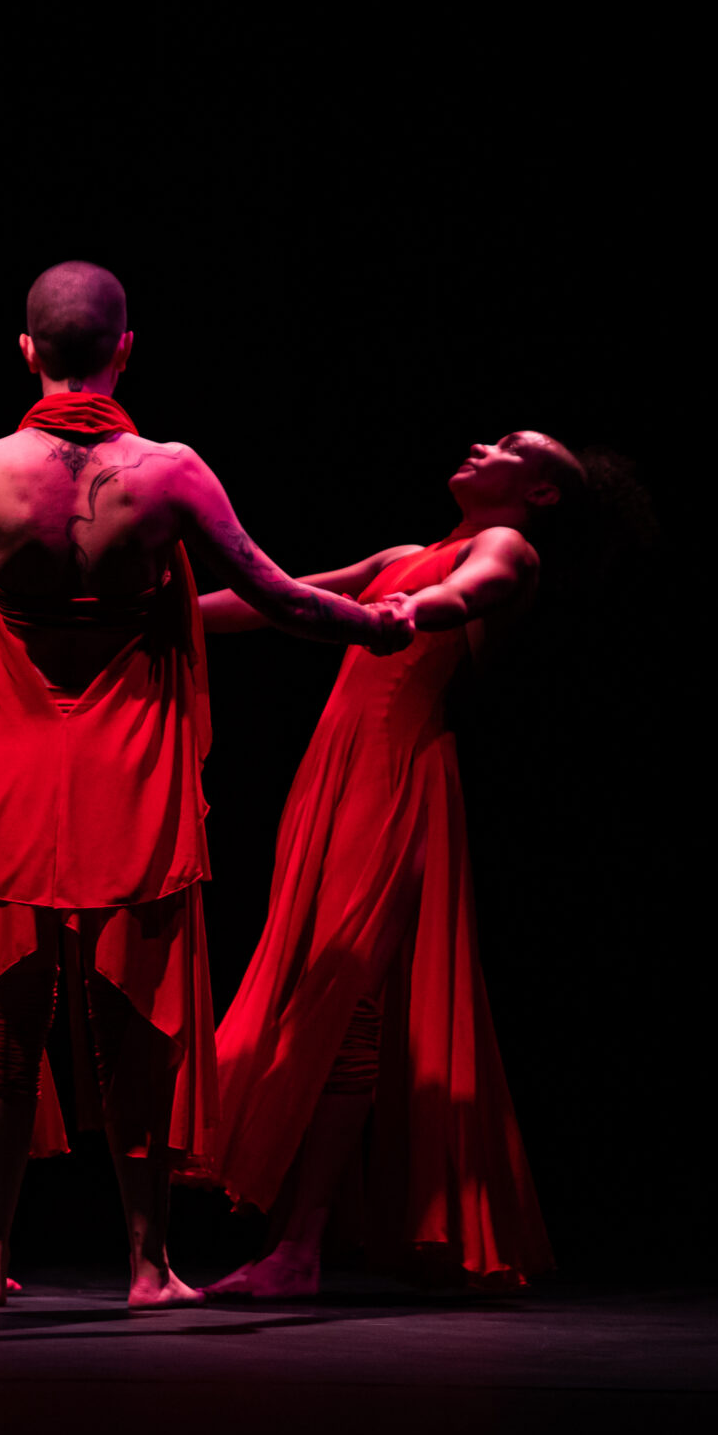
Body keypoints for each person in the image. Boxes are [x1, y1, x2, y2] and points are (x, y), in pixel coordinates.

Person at [0, 261, 413, 1306]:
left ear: (26, 349)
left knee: (5, 1010)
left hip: (11, 765)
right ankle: (146, 1265)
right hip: (131, 768)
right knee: (135, 1014)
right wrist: (374, 622)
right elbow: (274, 591)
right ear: (126, 348)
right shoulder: (171, 472)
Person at [200, 431, 596, 1297]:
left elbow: (467, 592)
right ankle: (295, 1241)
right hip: (335, 771)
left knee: (346, 997)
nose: (481, 445)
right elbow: (279, 596)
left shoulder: (508, 544)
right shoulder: (400, 555)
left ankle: (298, 1247)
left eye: (507, 446)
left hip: (396, 775)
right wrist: (165, 617)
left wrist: (412, 610)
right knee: (325, 989)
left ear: (540, 493)